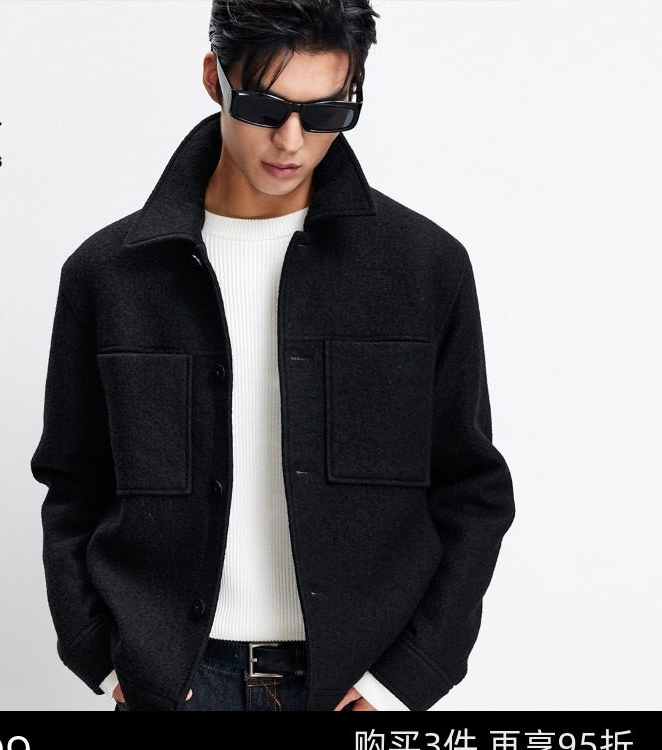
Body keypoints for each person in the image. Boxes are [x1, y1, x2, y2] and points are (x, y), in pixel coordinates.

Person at [30, 0, 516, 712]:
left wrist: (406, 677)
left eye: (326, 114)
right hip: (175, 688)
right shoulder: (110, 274)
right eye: (264, 108)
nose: (291, 140)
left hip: (352, 686)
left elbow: (472, 491)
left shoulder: (423, 268)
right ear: (214, 79)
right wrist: (102, 658)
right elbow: (74, 486)